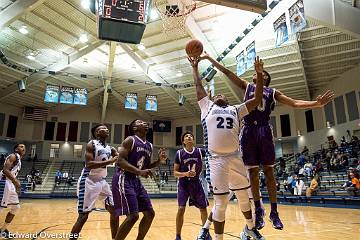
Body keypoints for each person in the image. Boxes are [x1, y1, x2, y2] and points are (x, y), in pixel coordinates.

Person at [201, 52, 334, 230]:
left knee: (270, 174)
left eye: (260, 73)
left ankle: (274, 212)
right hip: (248, 131)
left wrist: (315, 104)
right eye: (256, 73)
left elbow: (294, 103)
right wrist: (210, 59)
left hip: (264, 131)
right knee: (253, 174)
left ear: (266, 78)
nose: (256, 73)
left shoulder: (273, 93)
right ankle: (258, 210)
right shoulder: (247, 86)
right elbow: (228, 73)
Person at [190, 55, 265, 240]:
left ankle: (250, 228)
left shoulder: (236, 109)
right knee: (221, 203)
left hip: (235, 158)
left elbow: (256, 99)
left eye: (224, 94)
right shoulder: (206, 106)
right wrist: (195, 67)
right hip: (216, 160)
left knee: (244, 199)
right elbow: (199, 88)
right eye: (217, 95)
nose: (220, 95)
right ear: (213, 99)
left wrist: (259, 74)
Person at [112, 119, 167, 240]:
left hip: (135, 180)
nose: (144, 123)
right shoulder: (130, 140)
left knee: (149, 214)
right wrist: (139, 171)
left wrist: (159, 161)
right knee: (133, 216)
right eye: (140, 122)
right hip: (123, 177)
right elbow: (119, 161)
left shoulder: (149, 145)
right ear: (135, 128)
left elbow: (145, 166)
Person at [69, 124, 119, 240]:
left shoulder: (110, 148)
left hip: (102, 181)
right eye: (102, 128)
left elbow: (120, 158)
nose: (106, 129)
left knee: (115, 211)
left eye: (107, 128)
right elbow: (89, 164)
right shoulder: (91, 144)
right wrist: (110, 161)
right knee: (83, 216)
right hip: (89, 181)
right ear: (97, 133)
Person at [174, 131, 209, 240]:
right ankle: (178, 236)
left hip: (196, 183)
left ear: (193, 140)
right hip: (183, 184)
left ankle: (205, 233)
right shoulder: (179, 153)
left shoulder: (200, 151)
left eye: (190, 136)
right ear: (183, 141)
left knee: (203, 209)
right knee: (181, 209)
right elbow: (175, 173)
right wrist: (185, 174)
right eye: (186, 136)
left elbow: (212, 153)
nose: (189, 137)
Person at [0, 144, 26, 237]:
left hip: (10, 184)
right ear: (16, 149)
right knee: (0, 208)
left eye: (24, 147)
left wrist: (15, 185)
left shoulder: (19, 159)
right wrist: (15, 181)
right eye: (21, 146)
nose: (23, 148)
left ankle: (2, 230)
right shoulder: (13, 156)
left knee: (16, 208)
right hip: (3, 182)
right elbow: (5, 170)